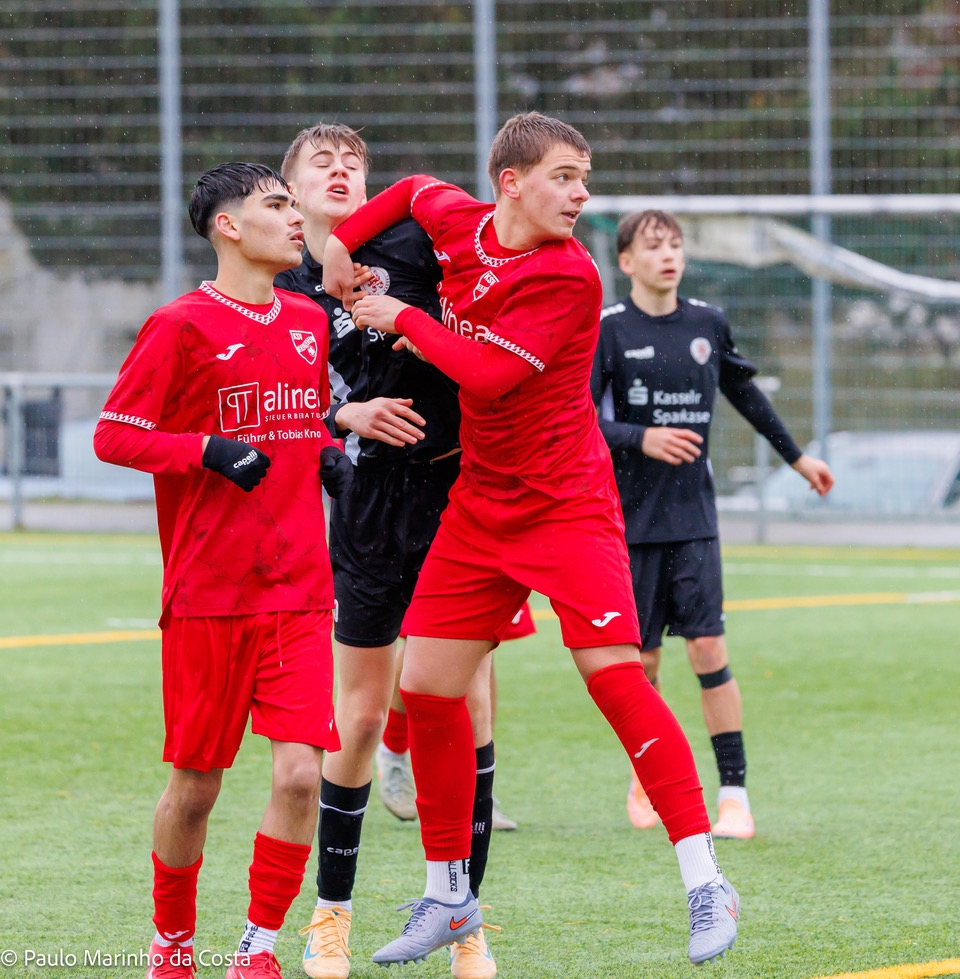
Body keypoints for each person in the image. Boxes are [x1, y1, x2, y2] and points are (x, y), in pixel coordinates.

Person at [323, 111, 741, 969]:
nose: (582, 193)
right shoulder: (461, 220)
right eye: (565, 176)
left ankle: (706, 879)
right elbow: (410, 190)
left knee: (615, 679)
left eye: (585, 177)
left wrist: (401, 316)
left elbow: (487, 374)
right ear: (511, 183)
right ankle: (449, 894)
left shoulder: (571, 274)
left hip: (566, 506)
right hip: (482, 505)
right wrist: (338, 244)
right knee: (427, 686)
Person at [93, 162, 351, 979]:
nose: (295, 217)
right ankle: (172, 944)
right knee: (197, 786)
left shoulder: (308, 320)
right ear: (228, 226)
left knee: (302, 776)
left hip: (301, 588)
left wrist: (329, 451)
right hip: (209, 593)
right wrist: (203, 449)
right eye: (277, 204)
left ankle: (257, 948)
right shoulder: (180, 324)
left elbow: (305, 417)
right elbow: (114, 434)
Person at [274, 122, 518, 979]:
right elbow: (274, 400)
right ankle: (331, 914)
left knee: (469, 704)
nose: (341, 171)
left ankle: (463, 918)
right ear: (291, 189)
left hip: (459, 494)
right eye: (322, 163)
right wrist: (347, 413)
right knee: (363, 715)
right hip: (370, 501)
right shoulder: (280, 283)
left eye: (354, 162)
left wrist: (438, 333)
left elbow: (487, 304)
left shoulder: (413, 243)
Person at [591, 209, 835, 840]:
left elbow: (745, 394)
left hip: (693, 518)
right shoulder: (609, 330)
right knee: (643, 661)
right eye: (653, 246)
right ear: (627, 262)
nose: (668, 255)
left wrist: (798, 458)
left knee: (707, 648)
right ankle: (646, 777)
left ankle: (734, 796)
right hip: (630, 523)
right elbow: (581, 419)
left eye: (675, 244)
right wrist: (641, 437)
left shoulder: (707, 323)